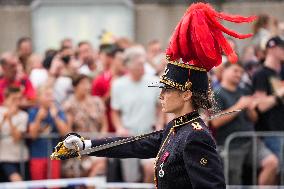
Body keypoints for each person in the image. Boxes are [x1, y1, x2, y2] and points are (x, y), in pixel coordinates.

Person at [55, 3, 256, 188]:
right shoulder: (176, 128)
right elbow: (134, 145)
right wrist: (86, 145)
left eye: (167, 90)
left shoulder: (195, 136)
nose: (161, 95)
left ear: (186, 94)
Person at [211, 62, 278, 185]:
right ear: (225, 71)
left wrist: (251, 110)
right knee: (234, 182)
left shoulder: (245, 90)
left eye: (241, 72)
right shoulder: (216, 93)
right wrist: (239, 106)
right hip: (231, 145)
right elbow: (215, 122)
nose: (239, 75)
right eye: (235, 71)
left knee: (272, 162)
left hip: (250, 140)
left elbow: (254, 119)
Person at [0, 87, 29, 182]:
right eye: (13, 99)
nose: (16, 102)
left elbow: (17, 137)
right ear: (6, 99)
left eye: (19, 99)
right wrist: (4, 119)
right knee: (17, 182)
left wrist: (10, 120)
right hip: (5, 157)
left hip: (21, 157)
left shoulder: (23, 115)